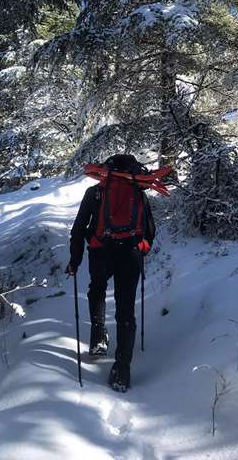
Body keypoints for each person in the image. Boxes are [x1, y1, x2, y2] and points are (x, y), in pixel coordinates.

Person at [65, 154, 156, 392]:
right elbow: (150, 231)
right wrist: (141, 250)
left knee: (97, 288)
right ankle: (122, 370)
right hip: (130, 255)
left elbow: (78, 229)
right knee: (126, 307)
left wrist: (75, 260)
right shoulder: (139, 192)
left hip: (100, 251)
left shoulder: (95, 193)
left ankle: (98, 336)